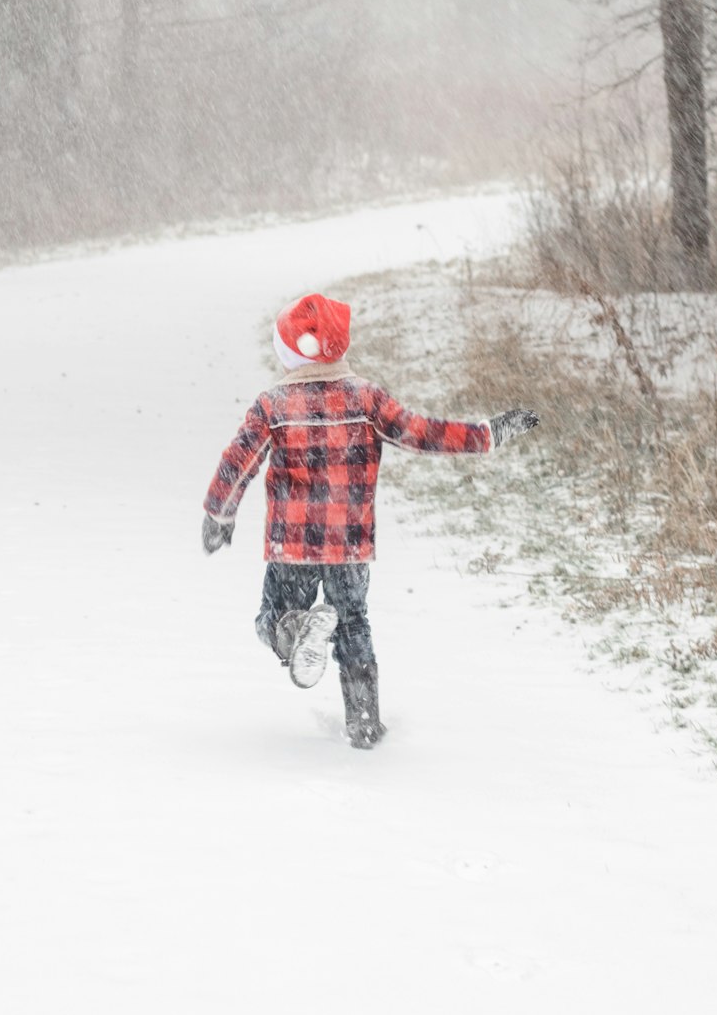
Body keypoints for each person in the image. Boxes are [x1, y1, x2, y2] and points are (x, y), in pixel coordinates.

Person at [202, 292, 539, 748]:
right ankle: (363, 722)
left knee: (271, 615)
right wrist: (488, 433)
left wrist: (218, 514)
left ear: (290, 353)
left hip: (293, 546)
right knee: (354, 623)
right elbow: (423, 433)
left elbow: (237, 461)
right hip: (348, 543)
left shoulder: (274, 406)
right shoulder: (365, 399)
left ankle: (293, 630)